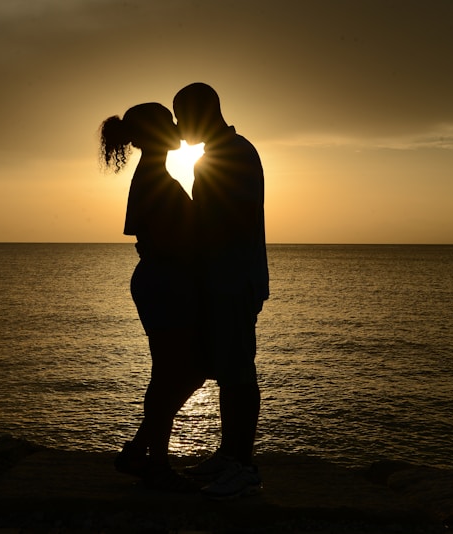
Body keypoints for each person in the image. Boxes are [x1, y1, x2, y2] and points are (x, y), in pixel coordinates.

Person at [99, 102, 205, 492]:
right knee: (171, 374)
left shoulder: (154, 174)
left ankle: (141, 451)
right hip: (165, 281)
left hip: (164, 280)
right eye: (169, 122)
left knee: (187, 371)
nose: (178, 126)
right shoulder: (153, 179)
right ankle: (154, 463)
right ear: (156, 131)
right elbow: (167, 240)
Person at [173, 83, 269, 500]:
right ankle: (230, 456)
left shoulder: (234, 153)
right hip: (223, 276)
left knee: (238, 372)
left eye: (181, 117)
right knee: (228, 370)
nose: (177, 127)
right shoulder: (217, 154)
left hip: (234, 277)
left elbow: (236, 216)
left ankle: (242, 466)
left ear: (201, 112)